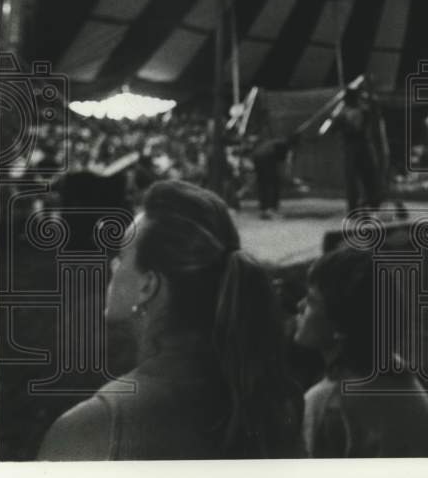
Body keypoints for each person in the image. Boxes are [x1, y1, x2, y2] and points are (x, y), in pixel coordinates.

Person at [37, 180, 303, 460]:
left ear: (148, 285)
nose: (112, 265)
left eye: (122, 255)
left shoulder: (97, 427)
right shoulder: (272, 404)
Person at [293, 245, 428, 457]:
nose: (299, 306)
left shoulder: (327, 405)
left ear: (340, 325)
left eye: (311, 301)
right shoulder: (392, 369)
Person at [251, 134, 295, 219]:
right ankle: (270, 210)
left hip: (257, 155)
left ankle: (264, 209)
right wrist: (287, 176)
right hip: (265, 157)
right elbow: (287, 163)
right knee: (272, 184)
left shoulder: (276, 141)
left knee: (263, 183)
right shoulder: (286, 145)